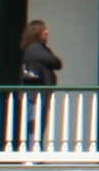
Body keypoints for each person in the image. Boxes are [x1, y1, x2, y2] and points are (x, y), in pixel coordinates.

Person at [10, 19, 62, 153]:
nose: (47, 31)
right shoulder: (35, 48)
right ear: (36, 32)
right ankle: (32, 152)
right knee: (34, 123)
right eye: (43, 29)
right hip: (35, 95)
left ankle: (34, 150)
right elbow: (55, 62)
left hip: (38, 94)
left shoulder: (38, 49)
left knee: (38, 122)